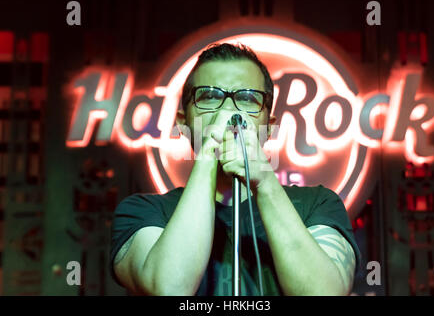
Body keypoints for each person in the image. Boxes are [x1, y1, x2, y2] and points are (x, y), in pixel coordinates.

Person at [110, 43, 361, 296]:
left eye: (247, 98)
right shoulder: (143, 211)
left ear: (269, 126)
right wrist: (208, 153)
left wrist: (263, 180)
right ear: (183, 123)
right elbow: (170, 288)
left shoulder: (317, 204)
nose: (228, 111)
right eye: (209, 96)